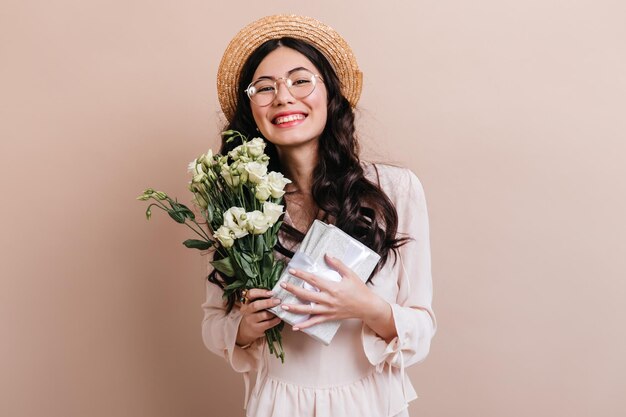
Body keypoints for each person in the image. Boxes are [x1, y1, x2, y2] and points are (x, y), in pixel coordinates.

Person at [201, 15, 436, 417]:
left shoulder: (395, 190)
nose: (283, 97)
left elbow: (422, 330)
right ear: (250, 108)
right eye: (264, 87)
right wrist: (245, 326)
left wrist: (365, 306)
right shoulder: (239, 204)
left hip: (369, 402)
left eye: (300, 80)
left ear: (330, 95)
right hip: (279, 403)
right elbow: (212, 326)